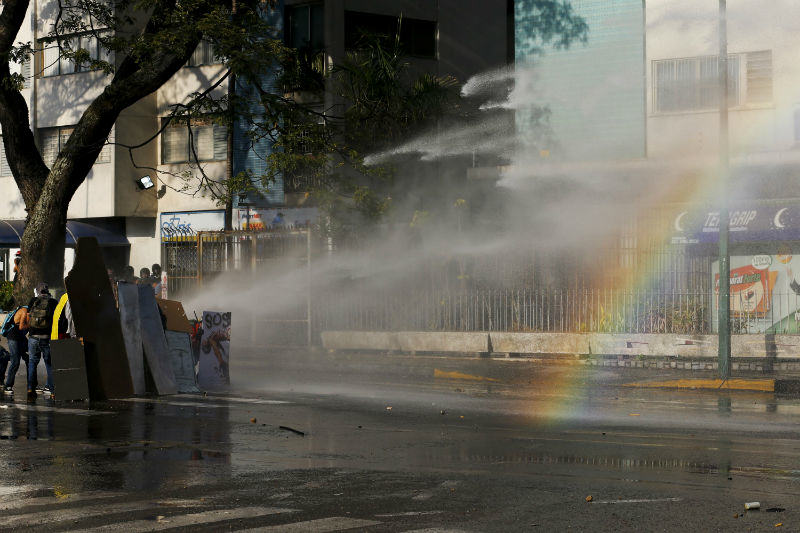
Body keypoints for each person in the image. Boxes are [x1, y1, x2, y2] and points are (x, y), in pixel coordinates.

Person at [27, 283, 57, 398]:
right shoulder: (53, 302)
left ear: (38, 291)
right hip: (46, 338)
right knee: (49, 364)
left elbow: (29, 315)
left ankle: (30, 388)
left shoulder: (33, 300)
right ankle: (53, 390)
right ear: (47, 290)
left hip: (33, 337)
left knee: (32, 363)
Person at [1, 303, 29, 396]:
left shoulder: (27, 311)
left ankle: (31, 385)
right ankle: (8, 386)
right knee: (15, 361)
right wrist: (31, 325)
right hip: (13, 337)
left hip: (20, 337)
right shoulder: (25, 311)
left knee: (29, 359)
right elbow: (21, 327)